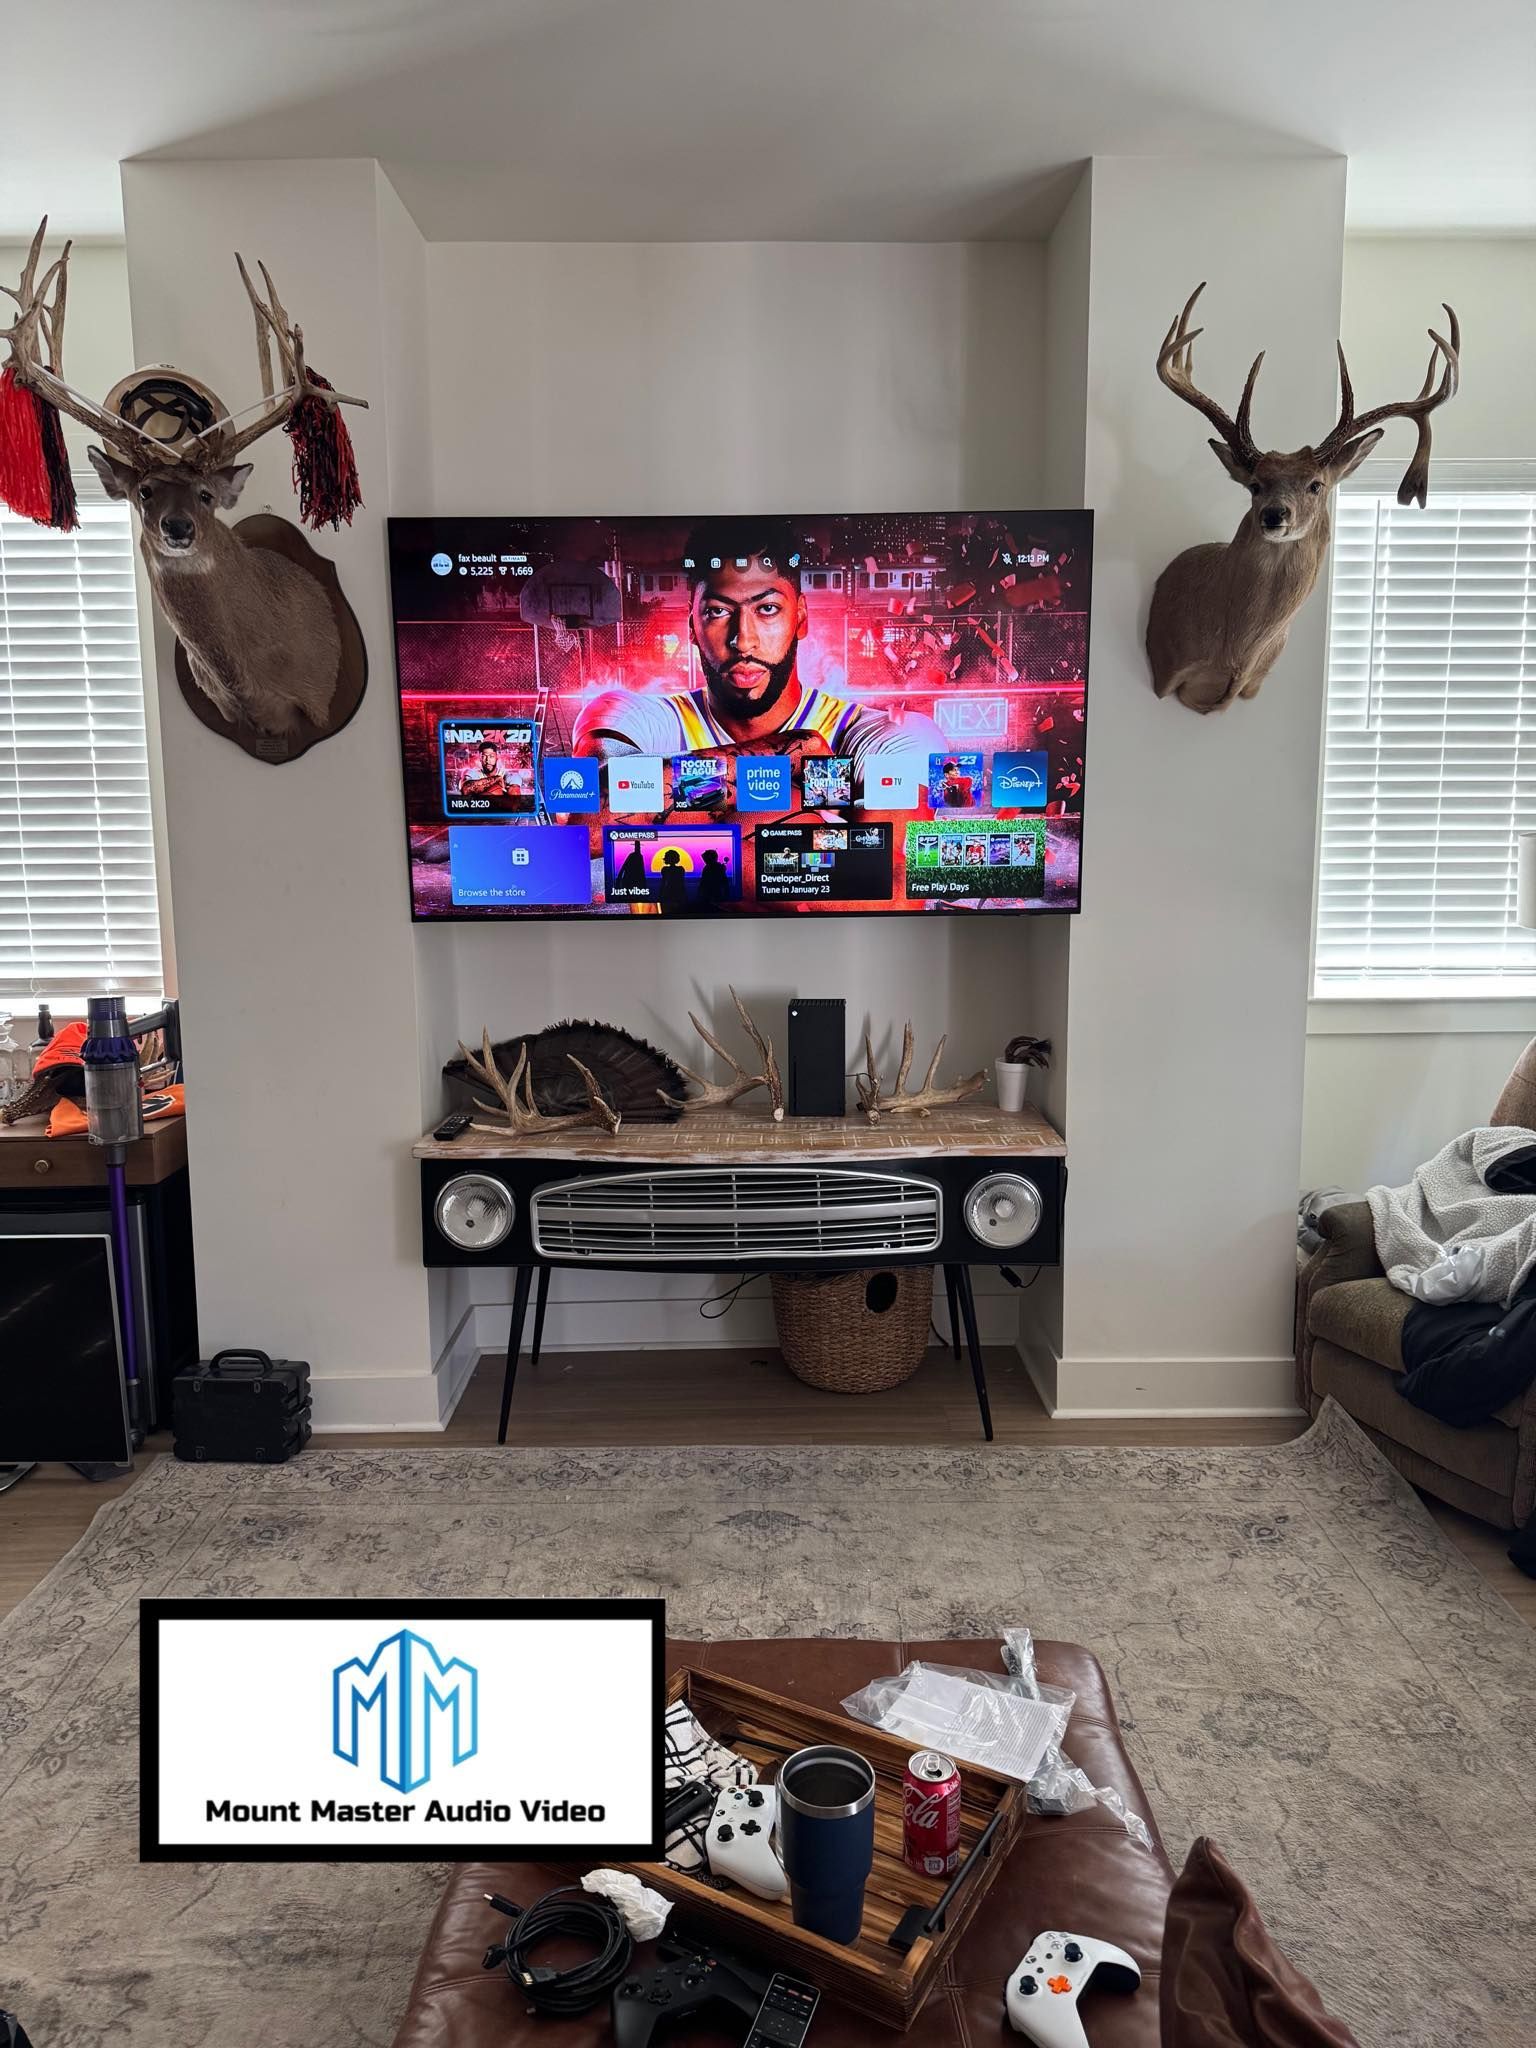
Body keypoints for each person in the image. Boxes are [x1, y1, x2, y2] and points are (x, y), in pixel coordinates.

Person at [572, 518, 945, 802]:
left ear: (800, 618)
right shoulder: (631, 716)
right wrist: (796, 754)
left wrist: (677, 806)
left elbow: (888, 888)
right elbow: (586, 815)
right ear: (692, 625)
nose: (743, 640)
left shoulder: (890, 735)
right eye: (718, 611)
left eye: (767, 609)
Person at [655, 847, 689, 913]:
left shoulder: (665, 869)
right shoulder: (680, 869)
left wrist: (660, 896)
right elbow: (681, 883)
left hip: (670, 892)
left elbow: (663, 883)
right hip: (675, 892)